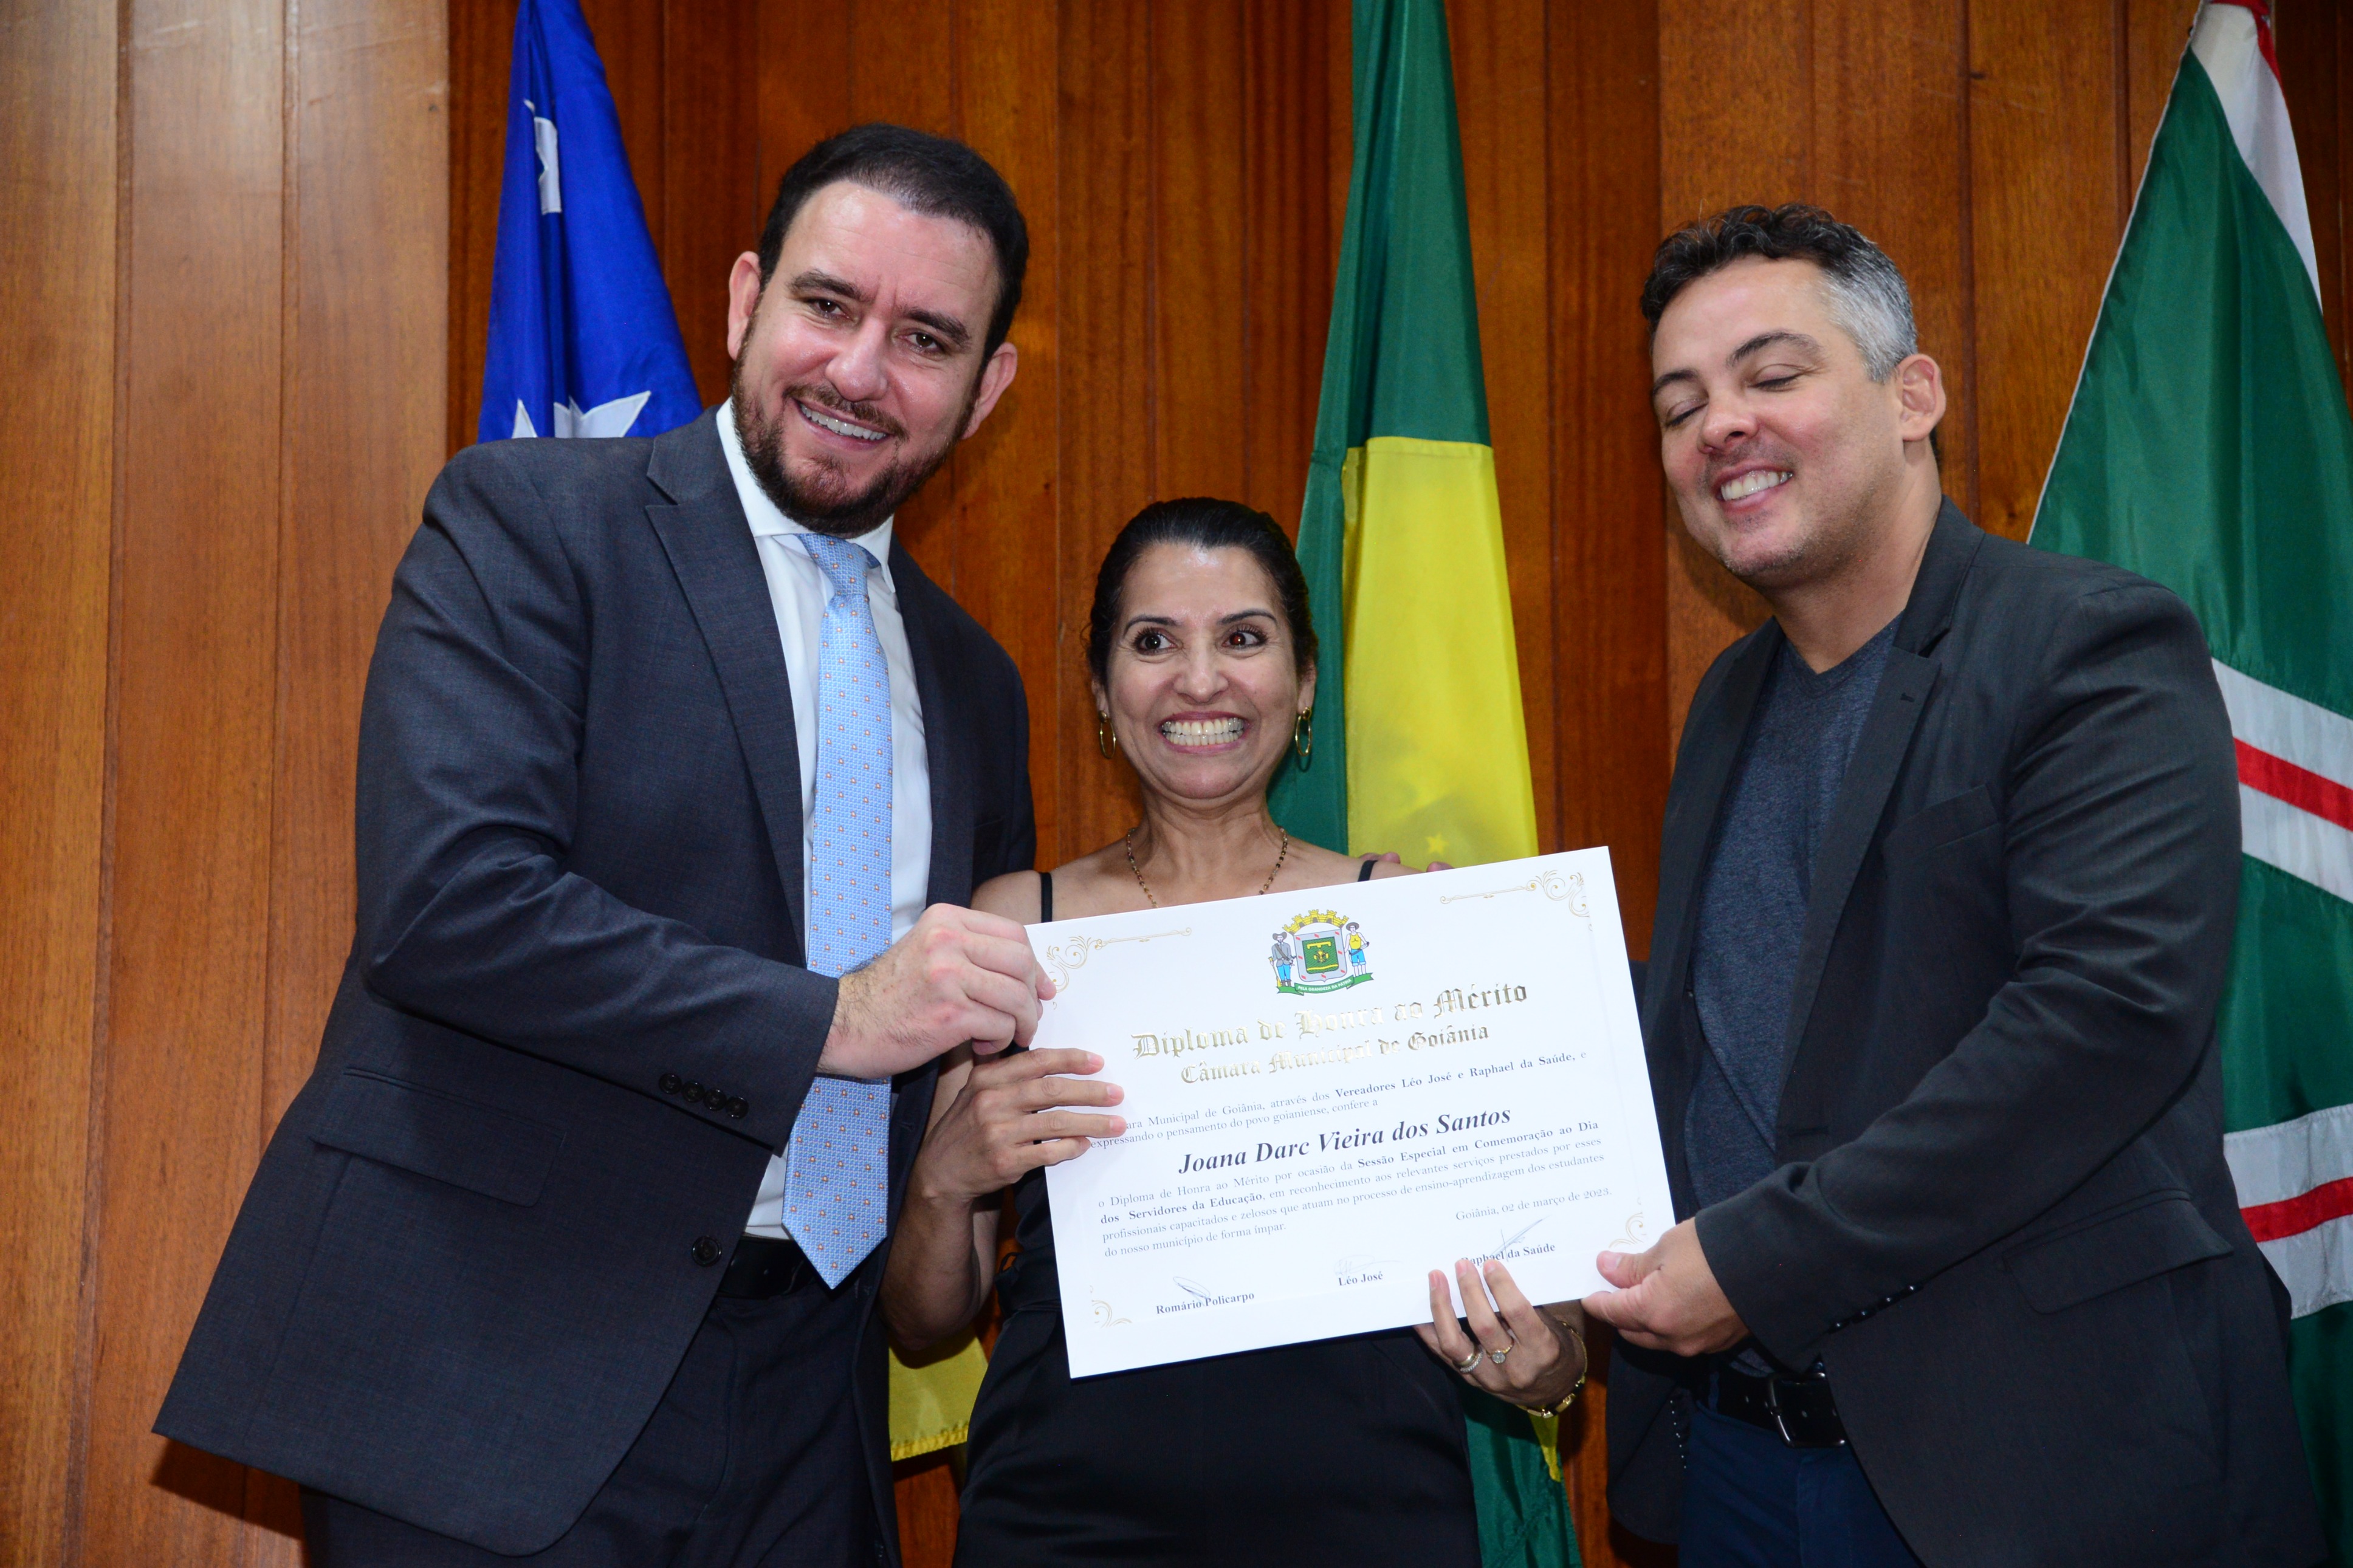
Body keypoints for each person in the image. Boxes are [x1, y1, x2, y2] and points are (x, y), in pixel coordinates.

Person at [156, 125, 1052, 1567]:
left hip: (814, 1408)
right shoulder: (528, 521)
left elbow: (969, 1059)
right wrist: (836, 1018)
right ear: (744, 299)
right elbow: (452, 907)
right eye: (828, 305)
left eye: (926, 338)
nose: (860, 370)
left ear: (987, 385)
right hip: (492, 1365)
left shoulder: (975, 683)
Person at [1584, 204, 2327, 1567]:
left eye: (1771, 374)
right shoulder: (1730, 698)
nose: (1719, 427)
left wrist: (1759, 1261)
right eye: (1679, 408)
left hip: (2031, 1459)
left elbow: (2101, 1021)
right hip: (1740, 1456)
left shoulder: (2088, 645)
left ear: (1911, 394)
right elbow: (1734, 1033)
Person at [878, 498, 1589, 1567]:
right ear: (1102, 689)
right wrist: (943, 1179)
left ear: (1303, 684)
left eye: (1243, 638)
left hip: (1371, 1501)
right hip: (1064, 1510)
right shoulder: (1016, 924)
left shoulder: (1407, 917)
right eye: (1154, 641)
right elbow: (925, 1321)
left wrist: (1544, 1368)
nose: (1200, 679)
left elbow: (1558, 1331)